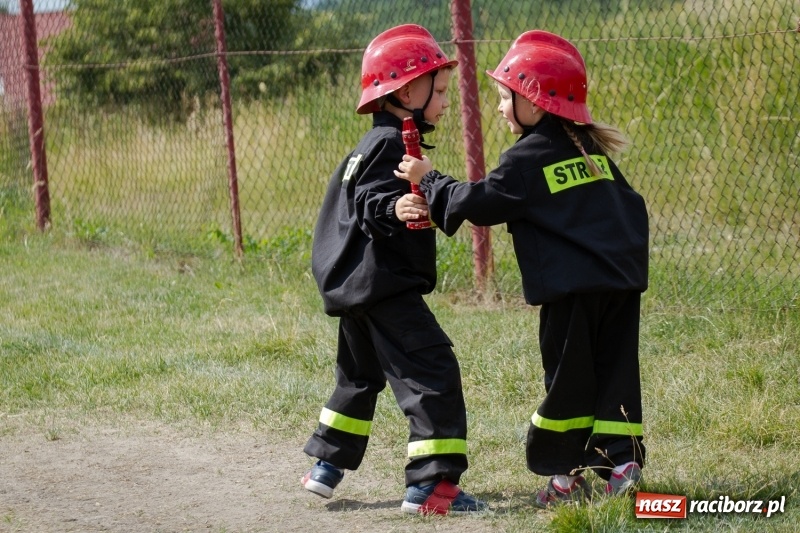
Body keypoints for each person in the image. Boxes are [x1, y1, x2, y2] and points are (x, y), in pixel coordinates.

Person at [395, 30, 649, 507]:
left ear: (535, 102)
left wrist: (427, 179)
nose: (499, 107)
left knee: (568, 379)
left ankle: (564, 476)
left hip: (571, 295)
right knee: (615, 373)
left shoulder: (527, 158)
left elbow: (479, 201)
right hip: (620, 287)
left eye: (505, 97)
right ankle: (624, 464)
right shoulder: (592, 155)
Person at [301, 24, 487, 516]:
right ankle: (432, 487)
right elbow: (372, 200)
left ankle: (326, 465)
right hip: (384, 287)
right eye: (440, 90)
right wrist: (395, 209)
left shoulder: (370, 142)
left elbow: (362, 195)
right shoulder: (390, 144)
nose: (445, 101)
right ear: (408, 91)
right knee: (433, 372)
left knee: (358, 378)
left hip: (358, 288)